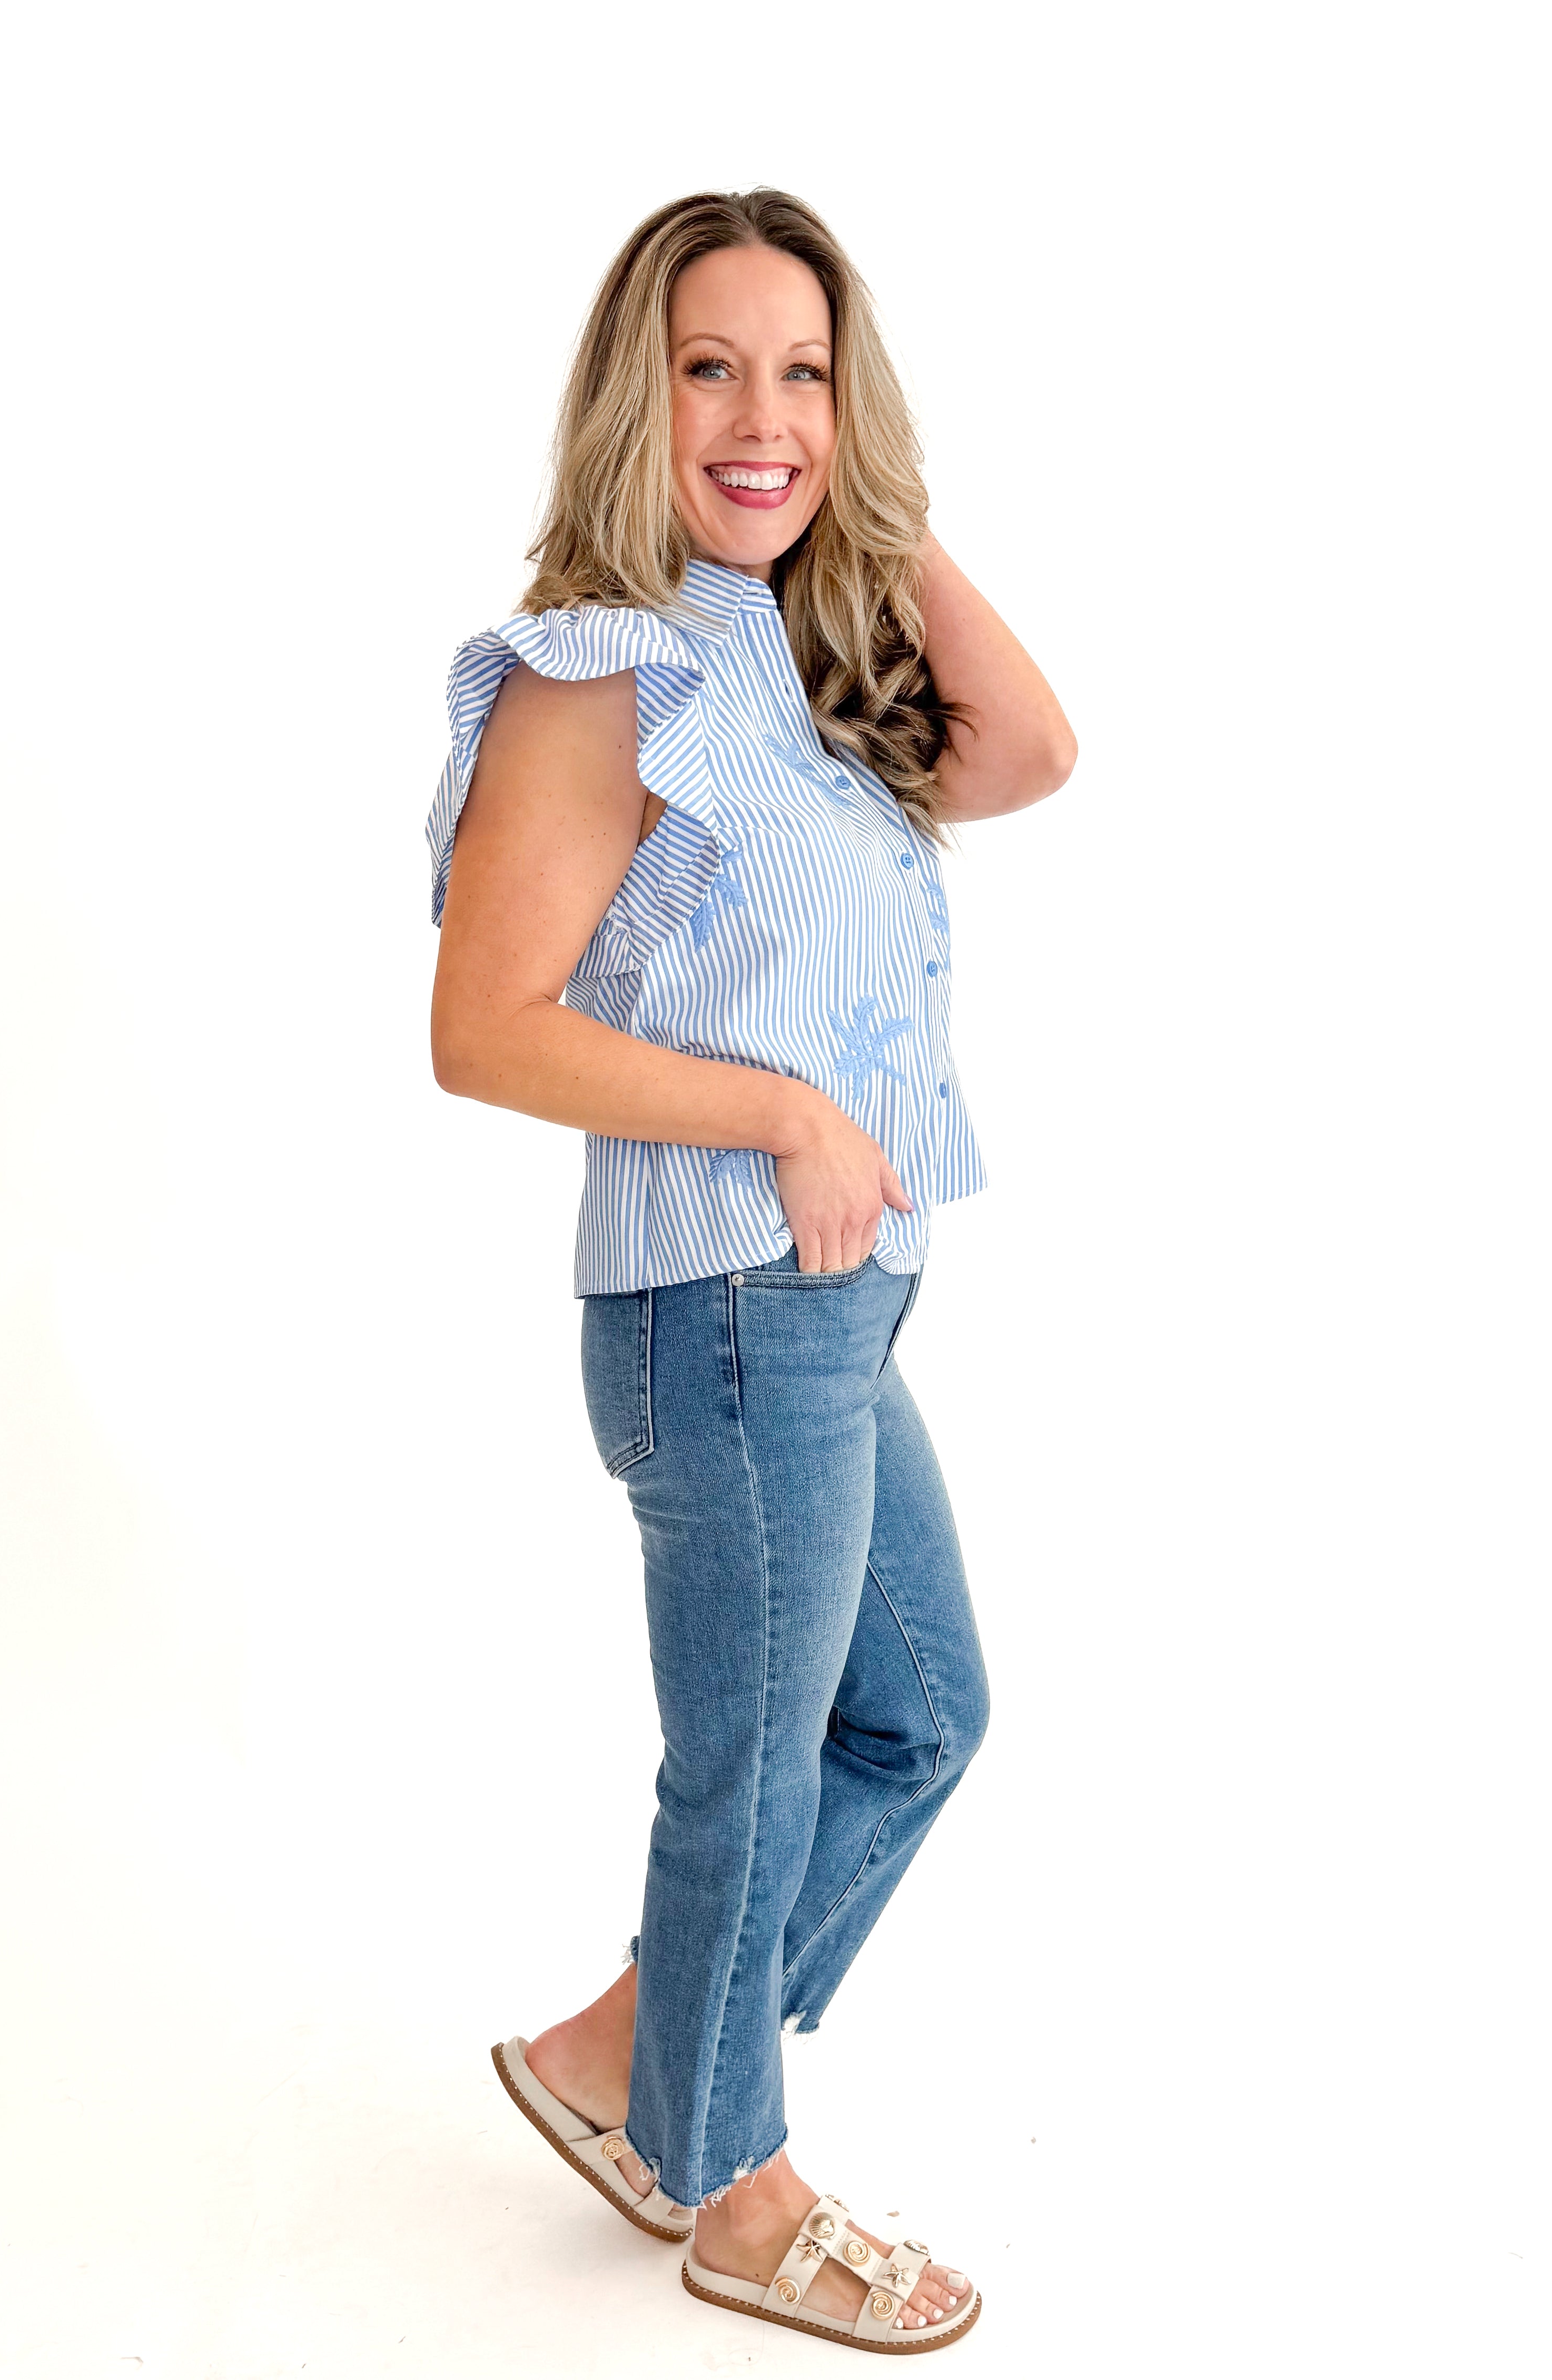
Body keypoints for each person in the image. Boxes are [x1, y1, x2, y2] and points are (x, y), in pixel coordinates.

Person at [427, 186, 1075, 2353]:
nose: (757, 413)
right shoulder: (595, 675)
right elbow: (483, 1024)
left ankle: (636, 2054)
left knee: (921, 1709)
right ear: (641, 389)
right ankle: (737, 2184)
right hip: (718, 1298)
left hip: (834, 1299)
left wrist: (858, 511)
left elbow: (1029, 751)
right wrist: (787, 1112)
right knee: (759, 1764)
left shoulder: (799, 657)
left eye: (803, 371)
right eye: (714, 366)